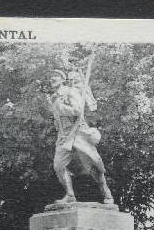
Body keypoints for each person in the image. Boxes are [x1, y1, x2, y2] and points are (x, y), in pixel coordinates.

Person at [47, 68, 113, 205]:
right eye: (51, 77)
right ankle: (70, 195)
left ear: (62, 80)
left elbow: (78, 110)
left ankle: (106, 192)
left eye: (56, 77)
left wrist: (61, 108)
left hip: (78, 133)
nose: (52, 79)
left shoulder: (70, 92)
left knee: (93, 167)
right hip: (64, 136)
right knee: (58, 166)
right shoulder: (53, 98)